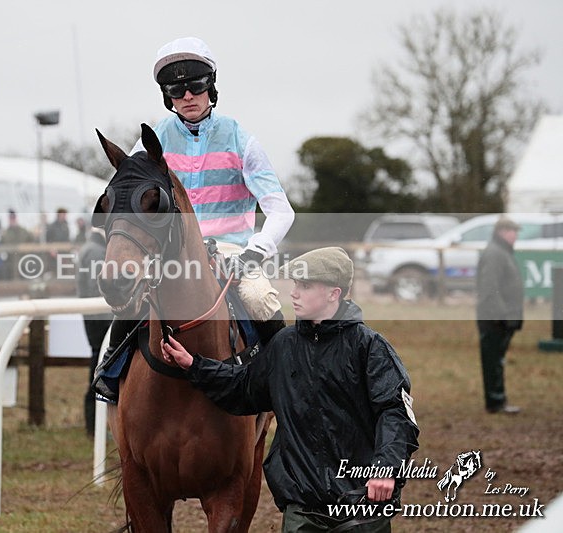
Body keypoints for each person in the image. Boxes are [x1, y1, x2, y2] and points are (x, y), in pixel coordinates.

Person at [161, 247, 420, 532]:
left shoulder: (370, 348)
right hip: (302, 509)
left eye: (305, 286)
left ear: (334, 293)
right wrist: (193, 365)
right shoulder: (283, 345)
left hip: (361, 506)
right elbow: (243, 387)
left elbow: (396, 415)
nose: (294, 293)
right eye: (295, 284)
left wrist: (386, 469)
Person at [96, 37, 295, 401]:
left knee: (260, 297)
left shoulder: (241, 140)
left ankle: (290, 384)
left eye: (196, 86)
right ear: (167, 95)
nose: (187, 96)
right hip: (172, 252)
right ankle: (110, 374)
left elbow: (281, 209)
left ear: (211, 87)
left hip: (234, 250)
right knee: (131, 301)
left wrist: (256, 251)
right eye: (177, 89)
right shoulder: (152, 142)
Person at [476, 216, 524, 414]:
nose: (515, 235)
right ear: (502, 232)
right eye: (513, 231)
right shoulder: (495, 254)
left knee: (497, 360)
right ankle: (495, 401)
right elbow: (489, 288)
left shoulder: (502, 252)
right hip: (494, 319)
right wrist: (500, 316)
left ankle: (499, 398)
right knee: (493, 361)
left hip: (500, 317)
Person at [75, 227, 112, 436]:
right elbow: (98, 287)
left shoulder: (91, 248)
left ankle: (94, 426)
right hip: (100, 319)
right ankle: (94, 426)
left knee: (97, 365)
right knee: (98, 368)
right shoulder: (96, 251)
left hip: (94, 319)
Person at [0, 209, 34, 279]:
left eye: (13, 218)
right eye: (11, 218)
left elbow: (32, 240)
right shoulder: (5, 233)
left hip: (23, 259)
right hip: (11, 260)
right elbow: (2, 245)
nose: (12, 220)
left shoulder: (23, 231)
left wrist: (27, 249)